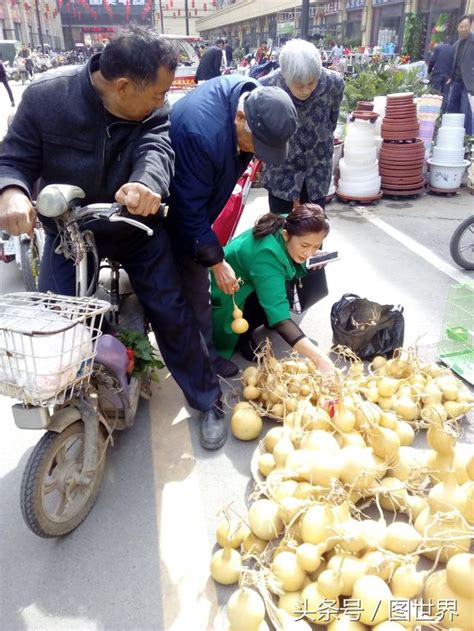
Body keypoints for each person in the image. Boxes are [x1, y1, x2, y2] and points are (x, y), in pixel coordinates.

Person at [0, 29, 227, 451]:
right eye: (157, 94)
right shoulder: (46, 97)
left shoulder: (150, 112)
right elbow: (12, 158)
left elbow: (158, 149)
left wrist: (145, 185)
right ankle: (70, 408)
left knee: (171, 312)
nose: (162, 102)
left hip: (134, 230)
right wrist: (11, 191)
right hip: (70, 234)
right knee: (56, 328)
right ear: (122, 86)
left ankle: (207, 399)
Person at [165, 75, 298, 379]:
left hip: (195, 198)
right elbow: (189, 209)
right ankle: (201, 363)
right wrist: (215, 261)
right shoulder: (202, 135)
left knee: (192, 287)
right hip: (171, 206)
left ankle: (201, 350)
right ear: (240, 118)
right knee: (189, 289)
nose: (257, 154)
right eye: (257, 145)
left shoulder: (251, 95)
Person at [211, 204, 335, 375]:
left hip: (251, 278)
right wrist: (319, 358)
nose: (309, 253)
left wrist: (313, 253)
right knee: (270, 310)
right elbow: (280, 319)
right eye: (305, 245)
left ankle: (256, 319)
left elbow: (300, 251)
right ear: (286, 235)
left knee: (273, 293)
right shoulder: (265, 255)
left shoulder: (290, 223)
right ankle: (242, 339)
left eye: (316, 246)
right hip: (225, 291)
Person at [259, 38, 344, 213]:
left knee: (313, 227)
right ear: (285, 75)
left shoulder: (334, 83)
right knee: (279, 226)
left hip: (317, 167)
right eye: (299, 86)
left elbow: (332, 121)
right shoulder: (268, 87)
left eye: (311, 83)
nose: (306, 90)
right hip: (281, 169)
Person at [447, 14, 474, 135]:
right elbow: (453, 63)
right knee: (452, 108)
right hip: (456, 82)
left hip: (468, 84)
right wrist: (449, 77)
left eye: (466, 26)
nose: (463, 29)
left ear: (470, 26)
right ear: (458, 28)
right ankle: (452, 134)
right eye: (461, 27)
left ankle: (467, 138)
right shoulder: (456, 45)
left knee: (465, 112)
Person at [428, 36, 454, 109]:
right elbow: (455, 64)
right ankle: (442, 112)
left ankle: (433, 109)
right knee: (445, 94)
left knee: (434, 93)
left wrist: (429, 70)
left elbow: (432, 60)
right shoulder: (453, 50)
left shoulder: (439, 48)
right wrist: (451, 76)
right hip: (447, 75)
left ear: (444, 42)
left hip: (437, 73)